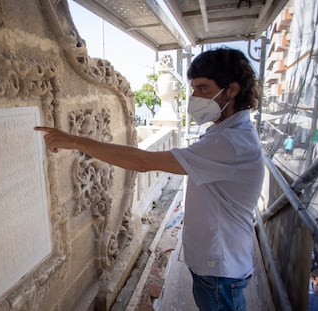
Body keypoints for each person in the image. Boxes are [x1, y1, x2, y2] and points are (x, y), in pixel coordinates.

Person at [35, 48, 265, 310]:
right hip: (218, 263)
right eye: (193, 89)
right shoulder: (228, 133)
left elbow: (143, 162)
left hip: (220, 271)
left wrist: (74, 140)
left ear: (232, 90)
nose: (194, 97)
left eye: (203, 88)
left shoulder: (230, 142)